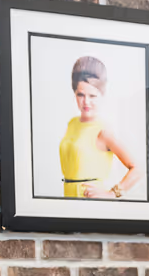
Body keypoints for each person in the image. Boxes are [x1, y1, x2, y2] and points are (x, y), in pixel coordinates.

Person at [57, 56, 142, 199]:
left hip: (91, 204)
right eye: (81, 95)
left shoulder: (103, 131)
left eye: (92, 96)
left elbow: (137, 169)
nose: (86, 102)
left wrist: (112, 193)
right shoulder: (72, 123)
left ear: (102, 95)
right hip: (68, 201)